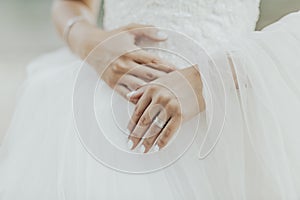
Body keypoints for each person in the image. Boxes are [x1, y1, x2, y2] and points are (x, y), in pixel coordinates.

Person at [0, 0, 300, 199]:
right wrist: (90, 41)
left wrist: (205, 80)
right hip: (109, 117)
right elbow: (72, 5)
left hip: (231, 121)